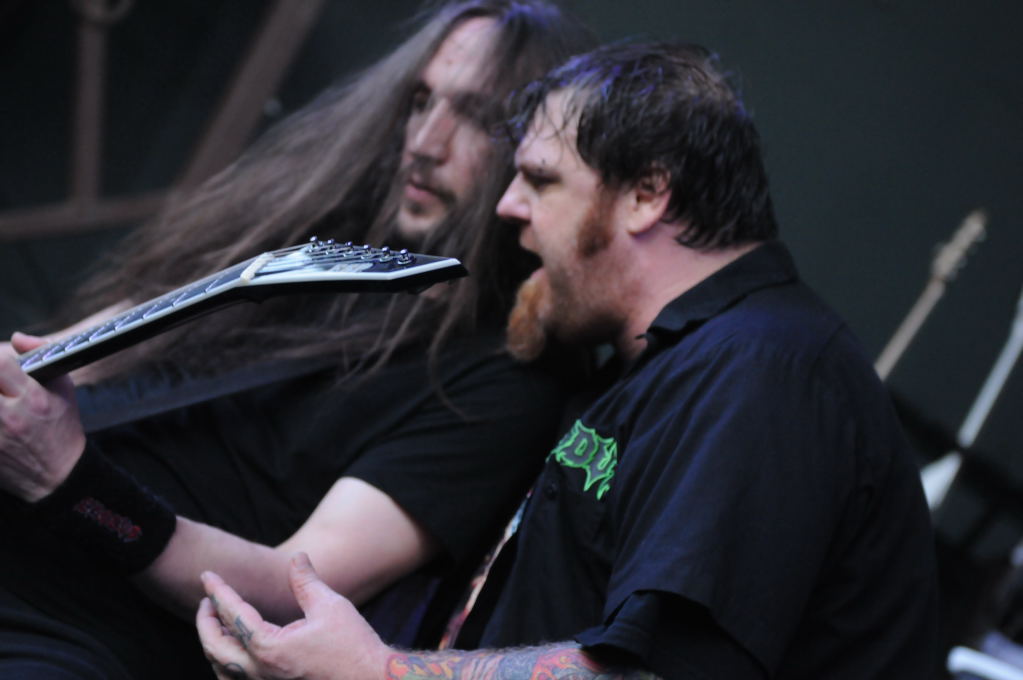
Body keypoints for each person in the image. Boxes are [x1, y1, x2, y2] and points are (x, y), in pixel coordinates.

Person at [196, 41, 940, 679]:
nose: (507, 205)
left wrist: (373, 670)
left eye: (542, 179)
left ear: (646, 195)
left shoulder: (764, 373)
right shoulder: (656, 360)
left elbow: (658, 671)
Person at [0, 2, 593, 679]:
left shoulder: (502, 380)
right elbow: (65, 355)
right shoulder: (304, 245)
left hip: (72, 627)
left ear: (535, 163)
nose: (426, 142)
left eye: (476, 118)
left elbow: (295, 588)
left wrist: (69, 478)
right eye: (420, 101)